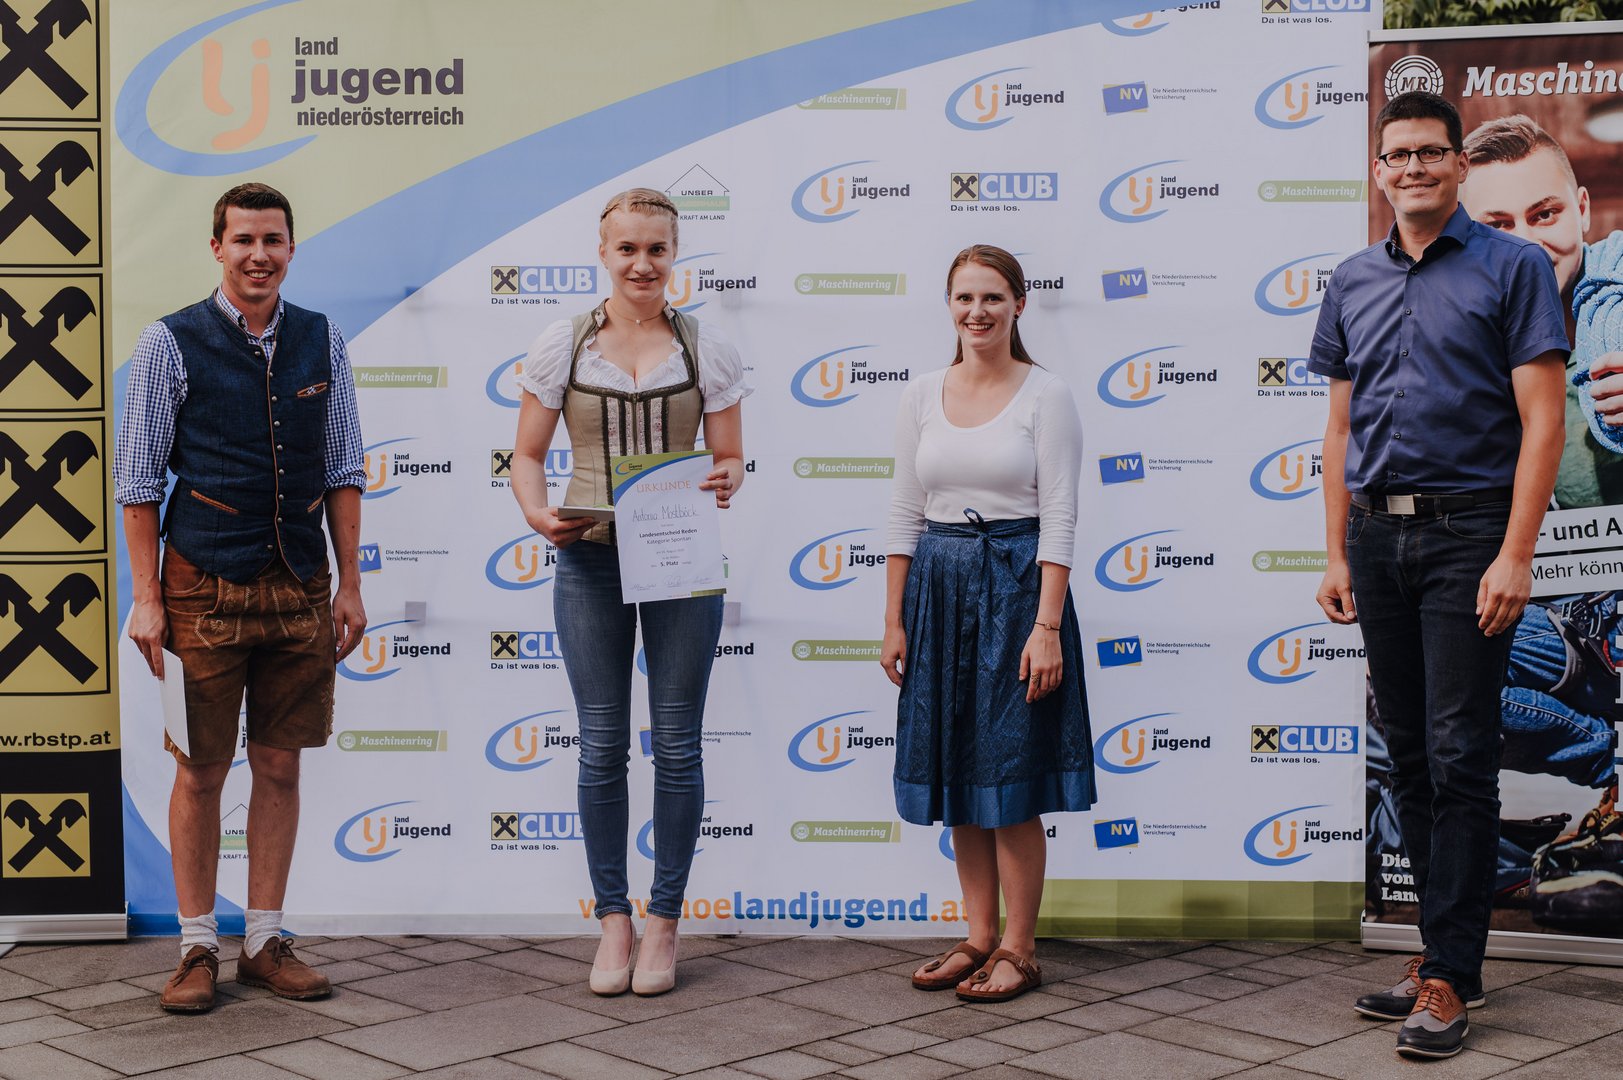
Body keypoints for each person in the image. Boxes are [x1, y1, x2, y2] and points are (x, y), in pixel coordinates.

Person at [1312, 92, 1569, 1059]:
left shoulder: (1512, 267)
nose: (1411, 167)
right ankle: (1439, 956)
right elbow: (1338, 429)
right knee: (1410, 756)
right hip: (1376, 539)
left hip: (1469, 537)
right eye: (1396, 155)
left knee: (1461, 754)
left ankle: (1450, 979)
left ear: (1458, 164)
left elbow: (1542, 419)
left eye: (1429, 152)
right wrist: (1335, 550)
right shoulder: (1350, 279)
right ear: (1377, 170)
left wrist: (1514, 553)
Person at [115, 183, 367, 1013]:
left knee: (281, 764)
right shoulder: (170, 342)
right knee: (200, 770)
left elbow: (342, 468)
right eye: (244, 239)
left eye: (273, 240)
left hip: (301, 585)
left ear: (290, 248)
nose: (259, 254)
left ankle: (263, 941)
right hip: (200, 588)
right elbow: (138, 483)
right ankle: (196, 947)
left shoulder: (322, 340)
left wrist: (351, 584)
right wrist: (147, 598)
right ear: (217, 247)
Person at [509, 187, 747, 997]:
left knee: (677, 744)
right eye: (627, 249)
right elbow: (526, 456)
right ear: (604, 253)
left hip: (680, 561)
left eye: (656, 249)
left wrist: (727, 477)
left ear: (674, 254)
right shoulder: (564, 343)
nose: (642, 264)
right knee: (601, 743)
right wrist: (537, 514)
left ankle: (665, 920)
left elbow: (730, 457)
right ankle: (614, 918)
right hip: (589, 558)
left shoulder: (706, 347)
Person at [881, 244, 1094, 1005]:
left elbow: (1060, 516)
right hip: (937, 591)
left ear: (1018, 305)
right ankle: (976, 936)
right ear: (949, 306)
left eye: (993, 298)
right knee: (956, 768)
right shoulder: (919, 393)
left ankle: (1019, 948)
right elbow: (904, 512)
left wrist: (1047, 626)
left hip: (1016, 591)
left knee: (1009, 773)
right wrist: (894, 620)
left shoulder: (1047, 394)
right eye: (964, 298)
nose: (977, 312)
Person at [1458, 115, 1622, 924]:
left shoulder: (1613, 299)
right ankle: (1597, 783)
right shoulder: (1461, 331)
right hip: (1559, 619)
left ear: (1582, 209)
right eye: (1497, 224)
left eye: (1544, 214)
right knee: (1420, 663)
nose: (1525, 242)